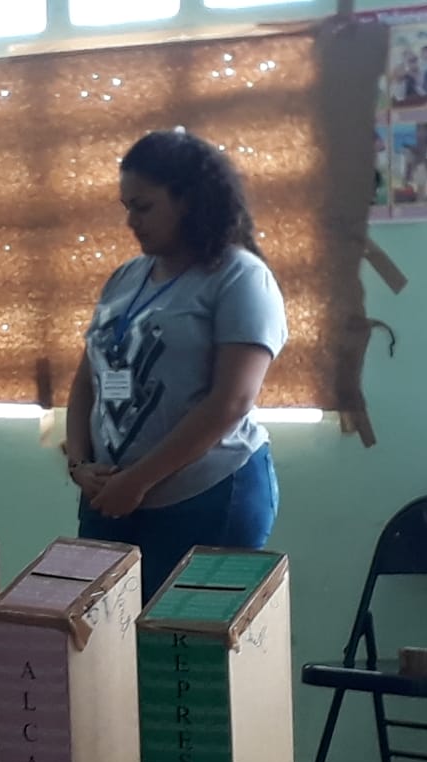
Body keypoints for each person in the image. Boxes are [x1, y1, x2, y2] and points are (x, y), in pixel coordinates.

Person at [65, 129, 287, 605]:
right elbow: (88, 379)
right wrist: (80, 464)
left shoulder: (240, 277)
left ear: (188, 200)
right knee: (107, 650)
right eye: (125, 206)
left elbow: (231, 402)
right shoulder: (126, 278)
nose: (130, 221)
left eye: (142, 207)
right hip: (113, 497)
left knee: (185, 657)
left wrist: (138, 480)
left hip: (206, 495)